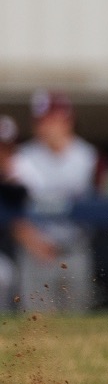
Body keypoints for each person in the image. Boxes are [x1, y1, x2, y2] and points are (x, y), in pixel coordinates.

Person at [9, 90, 108, 311]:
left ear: (68, 120)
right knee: (36, 325)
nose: (47, 126)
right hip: (37, 250)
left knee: (76, 323)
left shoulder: (88, 156)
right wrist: (31, 240)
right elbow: (7, 206)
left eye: (53, 119)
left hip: (75, 248)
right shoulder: (21, 158)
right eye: (41, 121)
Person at [0, 115, 61, 310]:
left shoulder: (22, 171)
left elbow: (28, 207)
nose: (3, 153)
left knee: (4, 274)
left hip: (13, 249)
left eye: (6, 147)